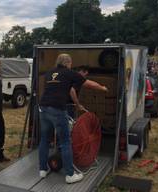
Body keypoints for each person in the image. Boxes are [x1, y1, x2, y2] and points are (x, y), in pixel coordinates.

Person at [39, 54, 108, 184]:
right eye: (70, 64)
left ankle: (42, 170)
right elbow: (89, 84)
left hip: (43, 108)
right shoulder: (70, 73)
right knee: (65, 142)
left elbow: (65, 90)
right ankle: (70, 175)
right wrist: (102, 88)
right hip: (58, 109)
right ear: (68, 63)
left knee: (44, 139)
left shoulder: (49, 73)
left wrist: (76, 104)